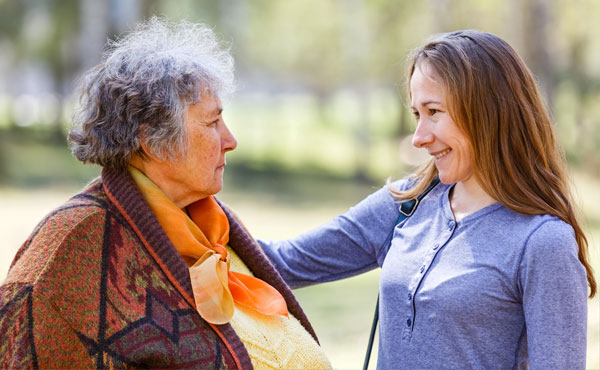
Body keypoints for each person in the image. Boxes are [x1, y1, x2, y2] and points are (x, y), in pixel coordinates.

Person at [0, 18, 331, 369]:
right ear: (153, 141)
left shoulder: (210, 226)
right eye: (211, 122)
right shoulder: (72, 243)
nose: (230, 141)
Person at [259, 30, 596, 369]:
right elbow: (281, 263)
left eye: (434, 111)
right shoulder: (406, 204)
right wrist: (204, 201)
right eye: (417, 114)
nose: (420, 137)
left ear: (489, 112)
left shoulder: (542, 243)